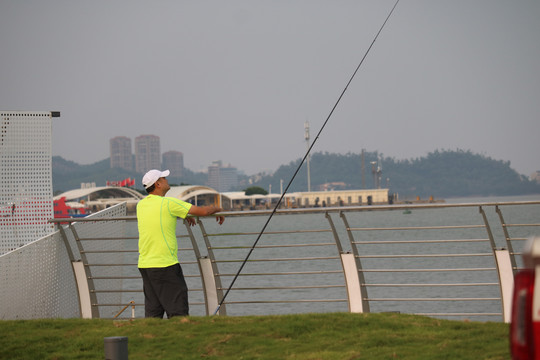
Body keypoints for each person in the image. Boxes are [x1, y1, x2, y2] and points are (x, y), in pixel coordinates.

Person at [137, 169, 225, 318]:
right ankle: (182, 337)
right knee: (178, 311)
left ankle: (150, 338)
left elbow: (158, 218)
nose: (166, 180)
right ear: (158, 184)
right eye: (164, 178)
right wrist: (219, 208)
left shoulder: (142, 205)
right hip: (165, 265)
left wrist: (183, 215)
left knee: (153, 313)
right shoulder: (169, 203)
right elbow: (203, 211)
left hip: (146, 265)